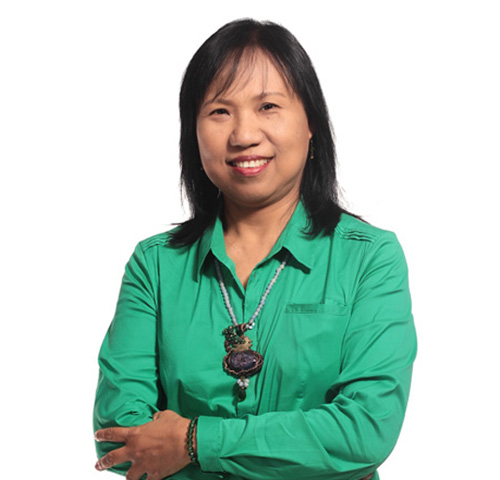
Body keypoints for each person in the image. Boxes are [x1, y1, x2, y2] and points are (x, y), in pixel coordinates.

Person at [93, 18, 417, 480]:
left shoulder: (370, 259)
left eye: (267, 106)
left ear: (311, 122)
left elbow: (364, 431)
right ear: (192, 132)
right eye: (219, 111)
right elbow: (118, 437)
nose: (244, 134)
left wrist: (194, 441)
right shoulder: (155, 265)